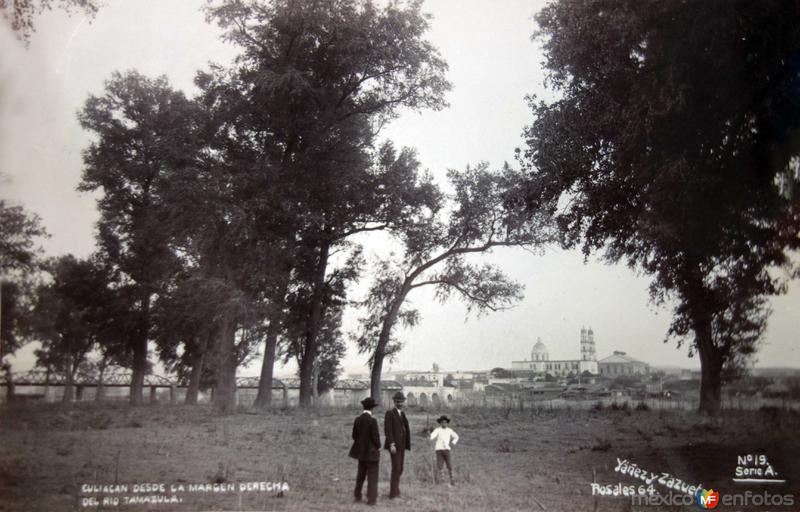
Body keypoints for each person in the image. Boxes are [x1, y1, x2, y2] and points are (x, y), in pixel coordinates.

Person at [349, 396, 381, 505]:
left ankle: (357, 496)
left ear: (364, 407)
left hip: (361, 453)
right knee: (372, 477)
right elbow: (375, 438)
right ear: (372, 408)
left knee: (360, 475)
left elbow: (354, 436)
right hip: (372, 453)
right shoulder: (373, 421)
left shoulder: (357, 420)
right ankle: (371, 499)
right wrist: (379, 446)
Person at [384, 391, 410, 498]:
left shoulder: (402, 414)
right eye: (398, 401)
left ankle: (396, 489)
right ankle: (393, 493)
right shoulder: (390, 413)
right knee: (396, 468)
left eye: (402, 401)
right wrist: (391, 444)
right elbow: (388, 430)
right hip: (395, 446)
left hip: (402, 446)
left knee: (400, 469)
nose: (400, 403)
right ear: (394, 402)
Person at [429, 415, 459, 485]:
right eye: (442, 422)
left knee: (449, 465)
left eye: (445, 422)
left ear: (447, 423)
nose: (444, 424)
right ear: (440, 423)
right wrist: (429, 434)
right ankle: (442, 481)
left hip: (447, 449)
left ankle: (452, 481)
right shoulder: (437, 430)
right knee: (440, 465)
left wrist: (452, 443)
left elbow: (456, 437)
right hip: (439, 449)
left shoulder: (449, 430)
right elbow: (431, 437)